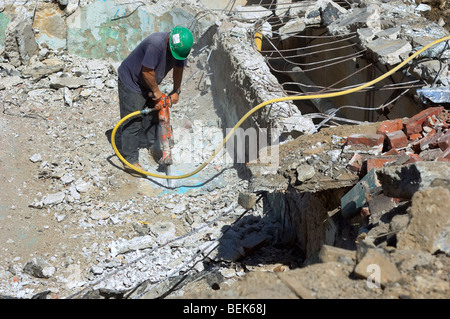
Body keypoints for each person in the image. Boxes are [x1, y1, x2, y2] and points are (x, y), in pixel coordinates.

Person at [117, 26, 194, 174]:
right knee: (132, 121)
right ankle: (130, 160)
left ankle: (153, 147)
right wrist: (156, 91)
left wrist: (176, 90)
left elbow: (179, 68)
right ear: (169, 42)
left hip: (149, 82)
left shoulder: (179, 49)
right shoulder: (156, 44)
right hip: (132, 81)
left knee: (154, 115)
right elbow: (146, 72)